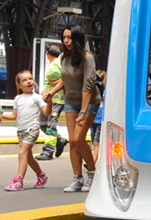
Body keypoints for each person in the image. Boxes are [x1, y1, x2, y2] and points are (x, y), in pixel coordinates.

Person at [43, 27, 101, 193]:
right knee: (73, 142)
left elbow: (88, 86)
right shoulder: (64, 57)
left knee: (77, 139)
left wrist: (83, 111)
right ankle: (77, 178)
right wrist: (52, 92)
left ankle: (92, 174)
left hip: (89, 102)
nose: (66, 41)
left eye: (69, 38)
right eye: (64, 38)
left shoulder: (87, 58)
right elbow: (64, 78)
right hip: (70, 101)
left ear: (77, 39)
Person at [3, 70, 50, 191]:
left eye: (30, 78)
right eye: (24, 80)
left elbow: (47, 112)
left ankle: (19, 181)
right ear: (18, 85)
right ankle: (41, 175)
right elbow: (14, 116)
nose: (29, 81)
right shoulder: (18, 98)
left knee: (22, 153)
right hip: (21, 131)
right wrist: (1, 113)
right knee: (28, 157)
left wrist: (49, 103)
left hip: (32, 129)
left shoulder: (37, 98)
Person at [36, 45, 68, 160]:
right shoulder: (54, 64)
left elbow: (64, 78)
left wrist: (55, 81)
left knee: (50, 125)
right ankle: (60, 140)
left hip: (57, 100)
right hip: (47, 99)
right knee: (43, 124)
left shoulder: (58, 63)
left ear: (47, 53)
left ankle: (48, 151)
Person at [91, 70, 106, 162]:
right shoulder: (94, 92)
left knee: (97, 142)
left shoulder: (106, 92)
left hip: (100, 120)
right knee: (94, 141)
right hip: (93, 119)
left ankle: (93, 161)